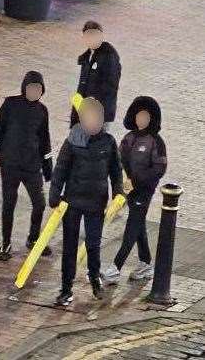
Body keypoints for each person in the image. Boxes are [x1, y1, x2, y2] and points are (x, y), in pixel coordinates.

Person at [50, 97, 124, 306]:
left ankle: (94, 280)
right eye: (88, 120)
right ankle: (66, 288)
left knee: (93, 244)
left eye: (96, 120)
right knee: (70, 248)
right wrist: (55, 194)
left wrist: (117, 192)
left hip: (96, 203)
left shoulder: (108, 143)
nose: (92, 124)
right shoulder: (73, 141)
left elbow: (116, 171)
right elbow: (61, 170)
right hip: (73, 201)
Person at [0, 71, 53, 261]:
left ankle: (33, 239)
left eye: (38, 89)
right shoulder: (10, 104)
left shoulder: (42, 111)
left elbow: (44, 140)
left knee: (39, 204)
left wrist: (48, 170)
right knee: (9, 204)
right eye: (32, 88)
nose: (35, 91)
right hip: (10, 165)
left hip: (32, 166)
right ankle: (5, 243)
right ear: (24, 88)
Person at [102, 96, 167, 285]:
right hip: (129, 190)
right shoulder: (129, 138)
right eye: (139, 115)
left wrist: (137, 180)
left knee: (132, 227)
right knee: (138, 226)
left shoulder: (156, 141)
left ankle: (115, 268)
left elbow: (159, 169)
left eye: (146, 116)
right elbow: (118, 161)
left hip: (144, 192)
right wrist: (123, 181)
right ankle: (146, 263)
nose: (142, 120)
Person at [70, 21, 121, 129]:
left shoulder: (109, 56)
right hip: (83, 111)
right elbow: (82, 88)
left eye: (95, 35)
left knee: (97, 144)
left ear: (101, 36)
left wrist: (92, 108)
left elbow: (110, 87)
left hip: (99, 114)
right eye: (89, 35)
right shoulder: (87, 57)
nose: (92, 38)